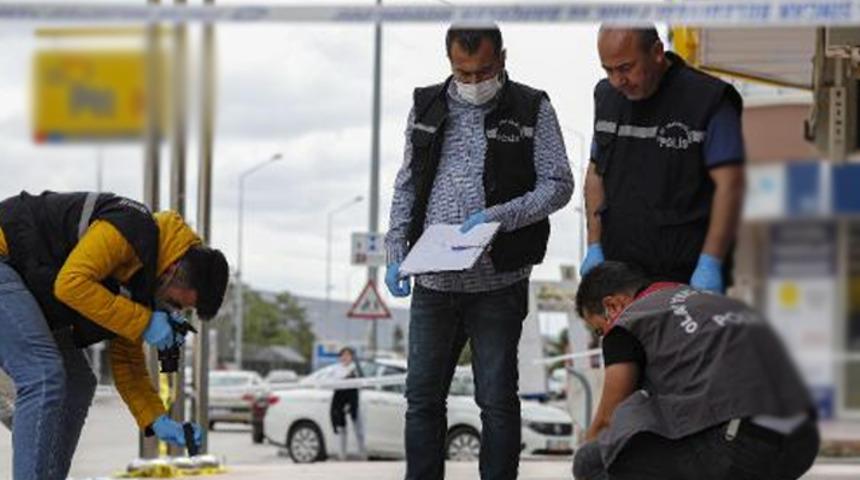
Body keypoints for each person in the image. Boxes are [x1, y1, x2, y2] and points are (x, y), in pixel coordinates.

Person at [384, 24, 574, 480]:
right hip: (433, 282)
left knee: (497, 401)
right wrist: (395, 250)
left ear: (503, 58)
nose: (472, 83)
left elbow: (559, 184)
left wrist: (500, 216)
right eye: (462, 73)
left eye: (483, 71)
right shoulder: (425, 105)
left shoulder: (532, 108)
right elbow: (407, 182)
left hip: (499, 283)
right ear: (449, 63)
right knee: (422, 399)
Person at [0, 190, 229, 480]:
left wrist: (157, 420)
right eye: (177, 304)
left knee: (80, 381)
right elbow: (71, 284)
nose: (174, 313)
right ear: (172, 270)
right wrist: (145, 322)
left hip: (22, 282)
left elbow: (128, 364)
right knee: (43, 374)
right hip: (4, 258)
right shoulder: (130, 226)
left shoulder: (143, 285)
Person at [571, 261, 819, 480]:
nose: (603, 336)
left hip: (742, 442)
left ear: (612, 305)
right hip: (801, 441)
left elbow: (607, 419)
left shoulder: (629, 321)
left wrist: (589, 444)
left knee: (592, 461)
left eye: (598, 329)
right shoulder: (710, 301)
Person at [581, 26, 746, 293]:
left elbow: (730, 184)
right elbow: (596, 173)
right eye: (608, 70)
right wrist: (594, 246)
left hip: (684, 276)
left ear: (657, 52)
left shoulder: (708, 100)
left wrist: (711, 262)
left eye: (625, 68)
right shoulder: (607, 98)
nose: (617, 81)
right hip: (620, 277)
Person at [329, 347, 367, 460]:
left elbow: (362, 381)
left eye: (348, 355)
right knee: (341, 428)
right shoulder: (335, 369)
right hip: (339, 399)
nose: (345, 357)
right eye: (343, 355)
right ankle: (342, 455)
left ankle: (362, 453)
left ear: (352, 356)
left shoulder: (356, 368)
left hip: (353, 400)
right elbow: (333, 383)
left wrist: (354, 370)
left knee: (358, 428)